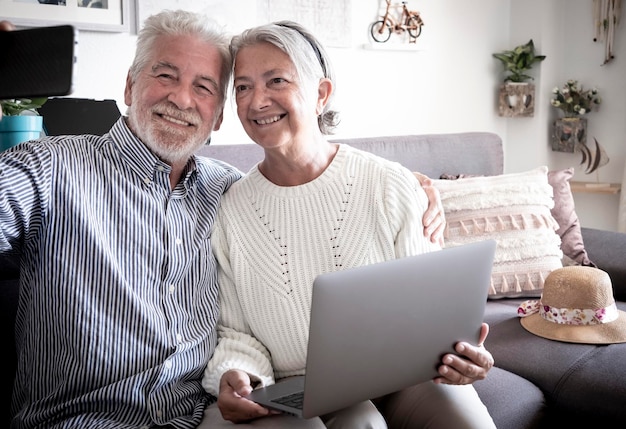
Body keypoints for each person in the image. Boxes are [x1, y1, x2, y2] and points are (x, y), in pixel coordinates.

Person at [0, 11, 444, 428]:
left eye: (205, 87)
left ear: (218, 114)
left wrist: (418, 190)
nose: (181, 98)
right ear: (131, 86)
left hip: (200, 416)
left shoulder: (229, 190)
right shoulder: (48, 169)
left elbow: (312, 206)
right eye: (165, 75)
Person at [202, 21, 496, 428]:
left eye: (276, 81)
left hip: (402, 374)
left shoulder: (390, 183)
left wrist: (459, 354)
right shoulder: (230, 209)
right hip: (294, 385)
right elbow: (236, 332)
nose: (257, 101)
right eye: (243, 87)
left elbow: (429, 309)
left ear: (321, 94)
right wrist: (241, 375)